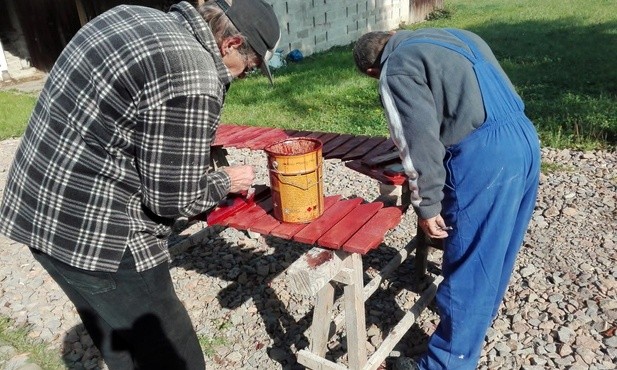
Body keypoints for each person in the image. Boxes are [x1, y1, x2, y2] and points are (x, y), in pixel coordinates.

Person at [0, 0, 280, 369]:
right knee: (173, 356)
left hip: (36, 214)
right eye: (251, 66)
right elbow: (174, 200)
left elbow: (122, 112)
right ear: (231, 43)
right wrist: (223, 180)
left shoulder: (131, 14)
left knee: (120, 344)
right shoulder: (194, 71)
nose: (244, 76)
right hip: (101, 238)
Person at [353, 29, 541, 370]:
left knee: (469, 263)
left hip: (486, 157)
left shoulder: (396, 67)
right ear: (392, 35)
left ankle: (445, 364)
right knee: (494, 252)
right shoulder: (454, 35)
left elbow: (417, 139)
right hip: (525, 140)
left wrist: (427, 205)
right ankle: (470, 335)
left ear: (371, 72)